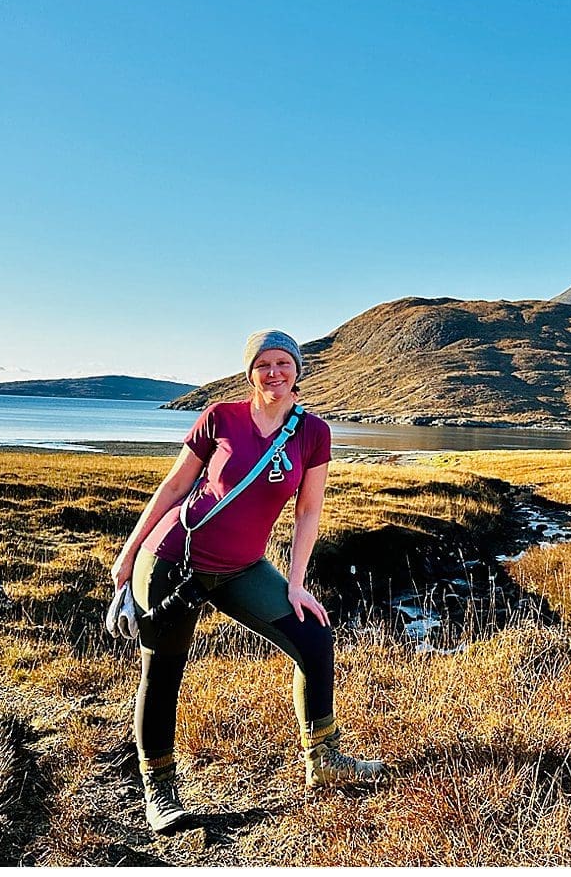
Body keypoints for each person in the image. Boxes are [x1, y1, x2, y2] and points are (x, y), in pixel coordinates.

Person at [110, 331, 383, 835]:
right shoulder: (220, 418)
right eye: (264, 364)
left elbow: (309, 512)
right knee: (163, 669)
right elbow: (174, 486)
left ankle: (323, 759)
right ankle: (160, 790)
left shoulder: (313, 433)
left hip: (243, 567)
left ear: (298, 370)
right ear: (250, 372)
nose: (274, 372)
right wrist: (129, 554)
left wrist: (297, 583)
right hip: (173, 560)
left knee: (314, 639)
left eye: (283, 363)